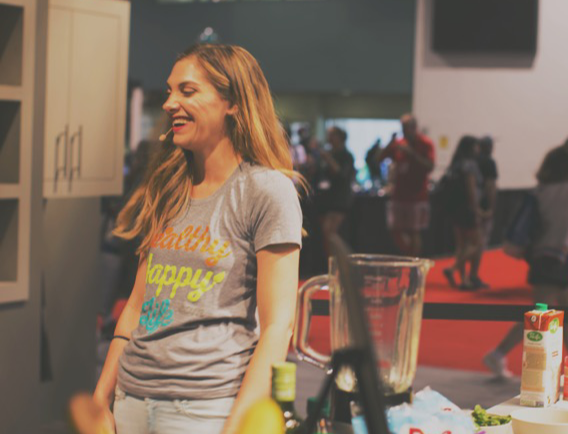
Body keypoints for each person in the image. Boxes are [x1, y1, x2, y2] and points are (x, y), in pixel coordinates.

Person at [93, 44, 304, 434]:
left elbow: (278, 326)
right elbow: (137, 306)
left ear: (233, 103)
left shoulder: (266, 190)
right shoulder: (168, 188)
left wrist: (239, 424)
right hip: (130, 401)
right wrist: (101, 398)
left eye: (187, 91)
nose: (170, 103)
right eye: (170, 91)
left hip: (205, 410)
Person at [484, 142, 568, 378]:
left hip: (543, 258)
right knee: (540, 316)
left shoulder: (541, 191)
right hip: (557, 258)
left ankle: (498, 354)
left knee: (546, 313)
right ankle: (500, 354)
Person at [375, 114, 435, 256]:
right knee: (394, 229)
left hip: (417, 195)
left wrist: (412, 153)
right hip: (399, 195)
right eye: (402, 127)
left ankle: (413, 259)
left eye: (406, 127)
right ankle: (409, 256)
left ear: (414, 127)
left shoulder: (425, 143)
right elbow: (378, 159)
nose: (404, 130)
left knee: (414, 231)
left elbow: (430, 166)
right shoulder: (399, 143)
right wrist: (389, 144)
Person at [442, 135, 483, 290]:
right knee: (476, 244)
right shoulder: (469, 165)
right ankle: (452, 268)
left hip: (455, 208)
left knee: (461, 245)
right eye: (476, 146)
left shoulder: (456, 164)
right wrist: (476, 209)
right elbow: (471, 189)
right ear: (471, 147)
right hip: (467, 208)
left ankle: (464, 280)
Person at [314, 126, 355, 258]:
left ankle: (343, 260)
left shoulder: (347, 156)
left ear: (340, 137)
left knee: (330, 233)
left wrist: (328, 159)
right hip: (328, 199)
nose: (329, 138)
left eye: (332, 135)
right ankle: (331, 262)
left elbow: (342, 175)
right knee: (326, 234)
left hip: (340, 199)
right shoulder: (329, 153)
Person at [471, 136, 498, 288]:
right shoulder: (489, 162)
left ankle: (463, 276)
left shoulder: (471, 162)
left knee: (466, 243)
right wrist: (490, 208)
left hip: (468, 207)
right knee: (479, 243)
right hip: (483, 206)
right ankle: (472, 275)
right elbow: (490, 185)